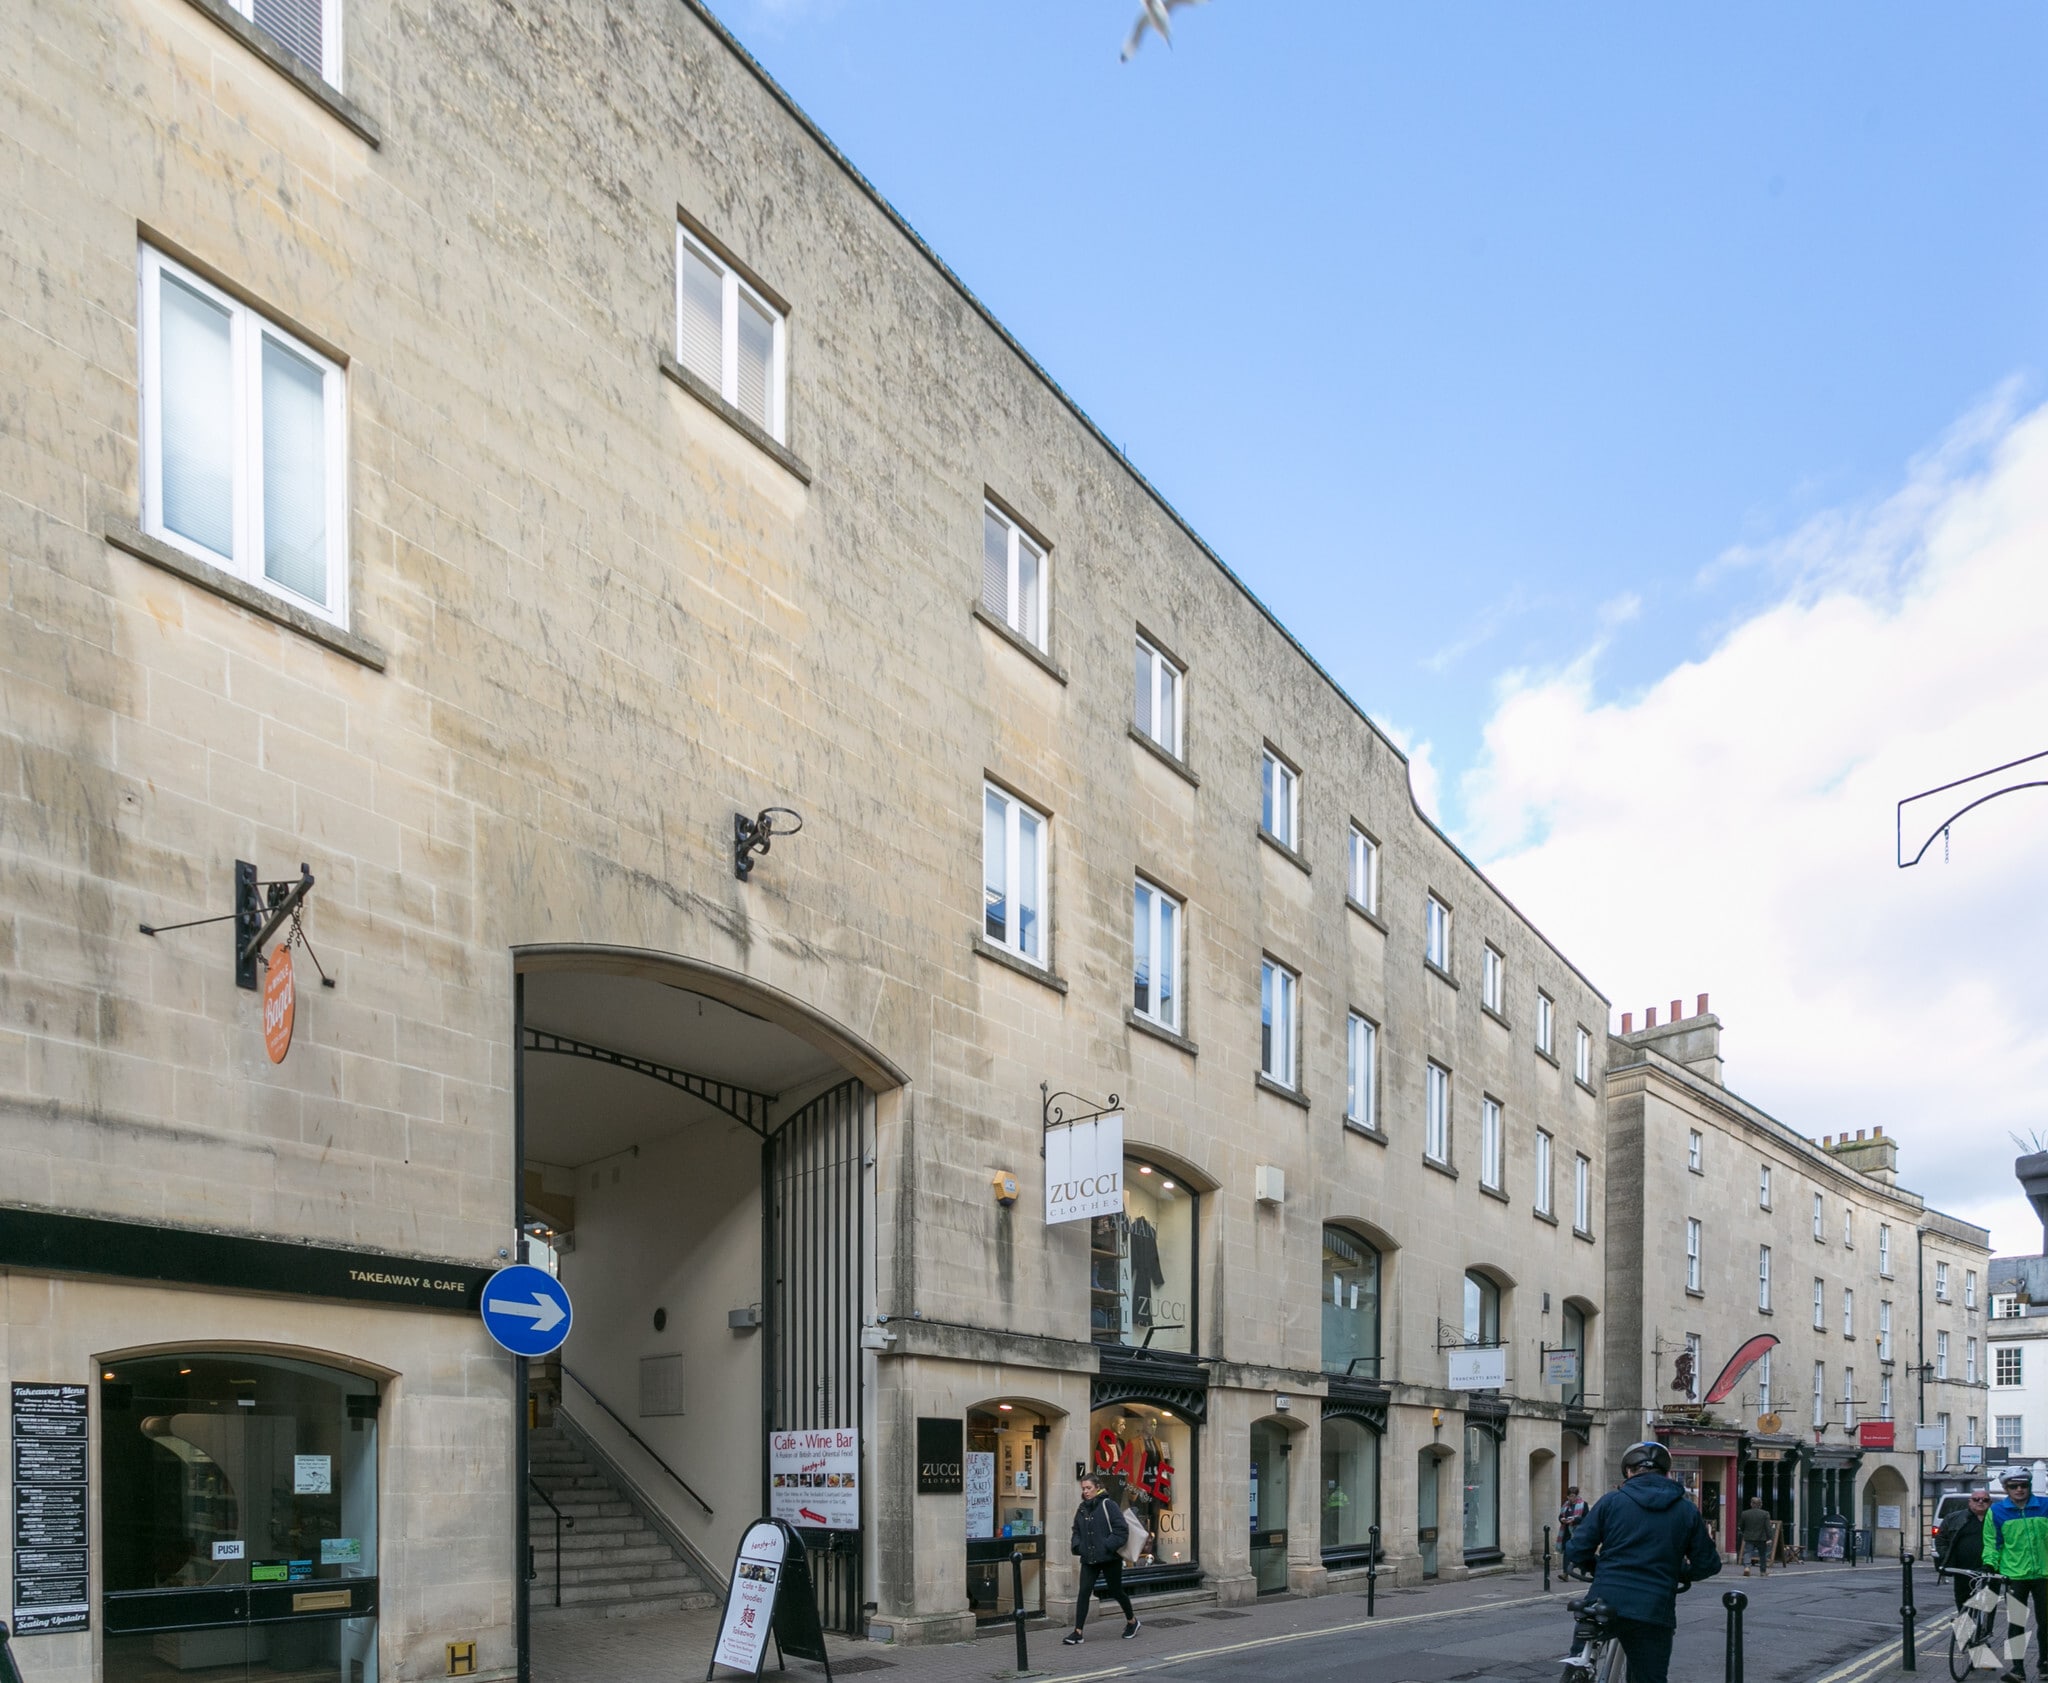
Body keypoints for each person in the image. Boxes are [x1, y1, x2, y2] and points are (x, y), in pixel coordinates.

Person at [1564, 1441, 1722, 1683]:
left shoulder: (1611, 1501)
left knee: (1581, 1662)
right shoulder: (1686, 1510)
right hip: (1653, 1607)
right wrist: (1678, 1571)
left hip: (1605, 1598)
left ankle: (1579, 1668)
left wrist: (1597, 1568)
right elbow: (1708, 1564)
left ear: (1628, 1471)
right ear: (1667, 1473)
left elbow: (1576, 1549)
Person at [1985, 1468, 2048, 1683]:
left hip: (2045, 1574)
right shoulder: (1997, 1512)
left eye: (2023, 1485)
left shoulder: (2045, 1506)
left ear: (2029, 1486)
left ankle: (2045, 1665)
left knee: (2046, 1622)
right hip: (2015, 1575)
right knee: (2016, 1623)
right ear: (2005, 1489)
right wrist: (1989, 1563)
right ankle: (2018, 1669)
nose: (2019, 1489)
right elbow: (1992, 1544)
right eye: (2013, 1486)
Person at [1065, 1474, 1140, 1646]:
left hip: (1109, 1558)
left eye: (1088, 1488)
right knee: (1084, 1592)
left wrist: (1107, 1546)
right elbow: (1076, 1530)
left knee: (1116, 1591)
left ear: (1098, 1487)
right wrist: (1078, 1546)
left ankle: (1132, 1621)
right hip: (1089, 1559)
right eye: (1083, 1489)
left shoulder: (1109, 1505)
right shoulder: (1082, 1508)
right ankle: (1078, 1632)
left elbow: (1121, 1530)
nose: (1085, 1492)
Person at [1936, 1487, 1994, 1613]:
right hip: (1963, 1570)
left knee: (1988, 1606)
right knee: (1963, 1605)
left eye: (1985, 1499)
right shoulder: (1953, 1518)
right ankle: (1966, 1631)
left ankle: (1986, 1631)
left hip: (1989, 1569)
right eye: (1976, 1499)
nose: (1980, 1502)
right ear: (1970, 1502)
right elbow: (1941, 1539)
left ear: (1990, 1503)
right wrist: (1947, 1556)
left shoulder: (1996, 1519)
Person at [1737, 1498, 1775, 1577]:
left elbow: (1741, 1526)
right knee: (1762, 1555)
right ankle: (1763, 1571)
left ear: (1751, 1504)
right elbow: (1768, 1527)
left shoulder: (1745, 1513)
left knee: (1748, 1553)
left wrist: (1744, 1532)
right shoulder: (1765, 1514)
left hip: (1749, 1537)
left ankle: (1747, 1567)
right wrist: (1770, 1538)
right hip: (1761, 1537)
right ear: (1760, 1504)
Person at [1559, 1487, 1590, 1581]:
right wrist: (1562, 1520)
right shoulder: (1565, 1505)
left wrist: (1575, 1519)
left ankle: (1583, 1572)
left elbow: (1586, 1518)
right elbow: (1560, 1516)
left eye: (1572, 1496)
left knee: (1580, 1552)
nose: (1570, 1498)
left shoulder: (1583, 1505)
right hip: (1567, 1532)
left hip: (1578, 1532)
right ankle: (1565, 1573)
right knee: (1566, 1552)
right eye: (1569, 1496)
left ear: (1576, 1496)